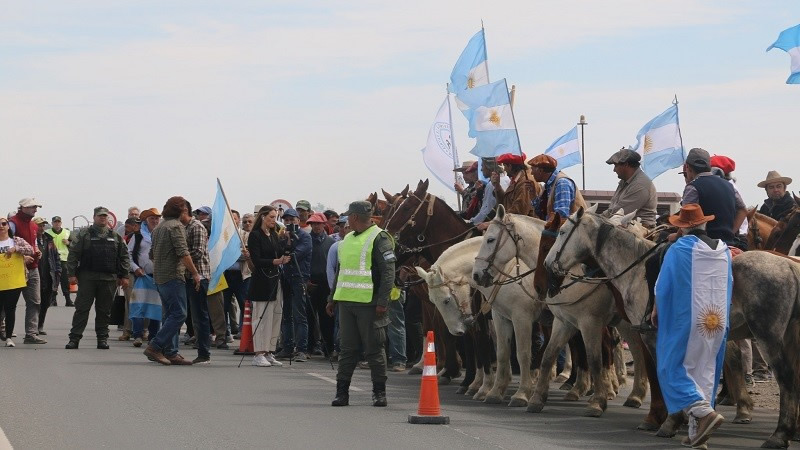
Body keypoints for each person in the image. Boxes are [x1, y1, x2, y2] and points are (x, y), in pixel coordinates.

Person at [653, 204, 730, 448]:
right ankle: (698, 433)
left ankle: (702, 411)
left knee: (669, 366)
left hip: (687, 319)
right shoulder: (724, 250)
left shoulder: (679, 249)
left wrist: (656, 309)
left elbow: (663, 285)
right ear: (704, 224)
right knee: (705, 370)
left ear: (683, 227)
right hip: (716, 319)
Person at [326, 201, 395, 407]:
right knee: (347, 350)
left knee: (374, 349)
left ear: (355, 217)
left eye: (349, 216)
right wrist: (332, 298)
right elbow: (341, 271)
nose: (347, 220)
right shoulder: (346, 239)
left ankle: (379, 392)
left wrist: (383, 302)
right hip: (347, 302)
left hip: (370, 304)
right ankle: (342, 393)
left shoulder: (379, 237)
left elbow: (388, 272)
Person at [144, 196, 202, 366]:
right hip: (173, 276)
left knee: (169, 314)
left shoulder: (159, 227)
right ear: (181, 210)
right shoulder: (176, 227)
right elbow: (183, 253)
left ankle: (171, 352)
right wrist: (195, 273)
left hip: (160, 276)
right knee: (179, 314)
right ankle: (155, 346)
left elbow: (152, 255)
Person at [65, 207, 131, 349]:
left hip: (108, 279)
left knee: (104, 311)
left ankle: (102, 339)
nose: (103, 218)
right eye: (100, 216)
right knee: (82, 309)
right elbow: (73, 254)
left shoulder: (115, 236)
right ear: (94, 217)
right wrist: (71, 274)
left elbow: (124, 257)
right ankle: (74, 338)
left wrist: (124, 275)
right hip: (88, 278)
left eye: (105, 216)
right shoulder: (84, 234)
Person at [679, 148, 747, 248]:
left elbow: (686, 219)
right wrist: (731, 232)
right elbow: (743, 210)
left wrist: (675, 236)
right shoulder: (729, 185)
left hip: (702, 244)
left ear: (688, 168)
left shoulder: (692, 187)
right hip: (728, 243)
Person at [248, 205, 287, 367]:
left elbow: (279, 252)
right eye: (271, 217)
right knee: (261, 317)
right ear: (263, 217)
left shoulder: (274, 235)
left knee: (275, 315)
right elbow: (256, 260)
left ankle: (270, 350)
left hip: (275, 279)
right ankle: (259, 352)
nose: (274, 220)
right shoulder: (255, 235)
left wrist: (287, 242)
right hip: (261, 281)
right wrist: (275, 261)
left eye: (275, 217)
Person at [275, 208, 312, 361]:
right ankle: (287, 347)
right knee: (286, 314)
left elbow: (295, 255)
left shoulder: (305, 237)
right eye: (286, 220)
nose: (289, 223)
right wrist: (284, 239)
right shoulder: (282, 236)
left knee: (299, 314)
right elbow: (278, 253)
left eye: (292, 220)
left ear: (298, 220)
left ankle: (302, 349)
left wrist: (290, 242)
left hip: (299, 277)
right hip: (286, 276)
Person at [8, 198, 47, 344]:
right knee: (9, 302)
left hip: (33, 269)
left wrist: (37, 251)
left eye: (36, 207)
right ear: (23, 207)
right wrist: (21, 258)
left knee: (35, 301)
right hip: (15, 269)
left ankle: (31, 334)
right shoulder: (12, 223)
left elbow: (34, 243)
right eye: (32, 207)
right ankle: (4, 329)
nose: (35, 210)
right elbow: (6, 244)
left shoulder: (33, 226)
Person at [184, 202, 214, 362]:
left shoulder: (196, 227)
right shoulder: (185, 227)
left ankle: (204, 352)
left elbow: (198, 252)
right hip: (188, 276)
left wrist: (180, 257)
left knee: (200, 316)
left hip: (199, 277)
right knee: (191, 316)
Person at [127, 208, 161, 348]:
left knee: (156, 307)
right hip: (142, 276)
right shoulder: (138, 236)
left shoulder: (162, 233)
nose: (154, 221)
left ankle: (153, 336)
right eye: (151, 218)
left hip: (159, 277)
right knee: (138, 306)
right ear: (146, 220)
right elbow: (128, 254)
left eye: (156, 218)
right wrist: (135, 268)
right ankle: (137, 335)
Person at [0, 217, 35, 347]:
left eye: (4, 224)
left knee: (10, 309)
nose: (1, 226)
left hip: (13, 281)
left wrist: (16, 249)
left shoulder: (15, 240)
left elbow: (30, 249)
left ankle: (9, 337)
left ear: (8, 226)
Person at [601, 148, 658, 228]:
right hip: (626, 229)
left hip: (640, 233)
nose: (614, 170)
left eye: (616, 166)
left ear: (626, 165)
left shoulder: (640, 185)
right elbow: (612, 211)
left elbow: (619, 213)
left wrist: (596, 220)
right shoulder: (625, 182)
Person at [529, 154, 586, 226]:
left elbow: (561, 215)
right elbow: (542, 214)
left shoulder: (562, 183)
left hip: (575, 233)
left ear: (540, 170)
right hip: (563, 231)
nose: (531, 173)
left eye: (533, 169)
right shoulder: (547, 186)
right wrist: (533, 195)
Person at [484, 153, 539, 228]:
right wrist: (497, 186)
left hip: (524, 228)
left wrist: (492, 223)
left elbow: (518, 211)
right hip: (514, 226)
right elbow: (505, 202)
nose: (504, 169)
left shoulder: (525, 182)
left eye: (505, 166)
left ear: (510, 166)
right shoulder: (516, 180)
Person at [307, 213, 335, 356]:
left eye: (318, 223)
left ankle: (328, 347)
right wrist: (305, 280)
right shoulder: (306, 240)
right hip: (310, 283)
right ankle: (309, 346)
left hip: (326, 285)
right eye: (313, 224)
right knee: (309, 317)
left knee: (327, 318)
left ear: (324, 224)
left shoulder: (331, 242)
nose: (316, 226)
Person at [223, 209, 252, 341]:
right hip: (226, 275)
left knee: (244, 304)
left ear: (237, 220)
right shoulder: (223, 236)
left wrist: (232, 254)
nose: (232, 221)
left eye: (234, 219)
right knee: (224, 305)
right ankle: (224, 333)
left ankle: (243, 331)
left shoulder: (245, 235)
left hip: (242, 275)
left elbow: (245, 255)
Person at [34, 217, 61, 336]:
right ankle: (32, 327)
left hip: (48, 275)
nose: (41, 228)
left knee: (45, 302)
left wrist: (58, 271)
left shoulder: (49, 240)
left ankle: (40, 326)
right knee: (35, 303)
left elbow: (56, 257)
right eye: (39, 225)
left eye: (43, 225)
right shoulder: (31, 239)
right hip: (35, 275)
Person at [470, 157, 510, 227]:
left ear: (489, 167)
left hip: (494, 225)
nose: (481, 169)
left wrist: (472, 222)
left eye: (482, 166)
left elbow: (486, 210)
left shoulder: (491, 184)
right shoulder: (507, 179)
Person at [119, 217, 141, 340]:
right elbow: (124, 257)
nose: (126, 230)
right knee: (130, 303)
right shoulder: (127, 238)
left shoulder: (145, 237)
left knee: (143, 302)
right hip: (130, 273)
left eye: (128, 227)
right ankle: (127, 331)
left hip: (144, 273)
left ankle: (143, 330)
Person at [45, 216, 72, 306]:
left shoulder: (67, 233)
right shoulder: (47, 233)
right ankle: (53, 299)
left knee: (65, 280)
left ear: (61, 223)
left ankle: (68, 299)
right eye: (55, 222)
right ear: (52, 223)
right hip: (51, 259)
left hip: (63, 259)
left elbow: (75, 245)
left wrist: (68, 243)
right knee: (52, 279)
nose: (57, 224)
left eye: (58, 222)